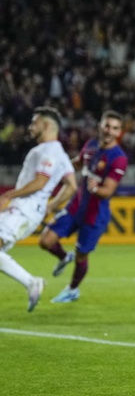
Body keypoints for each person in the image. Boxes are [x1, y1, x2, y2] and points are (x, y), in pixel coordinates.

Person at [39, 110, 128, 303]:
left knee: (81, 255)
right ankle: (64, 257)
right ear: (100, 126)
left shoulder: (119, 158)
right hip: (75, 207)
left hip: (94, 215)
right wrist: (57, 169)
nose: (109, 131)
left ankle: (72, 290)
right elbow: (77, 164)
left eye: (114, 128)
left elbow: (108, 191)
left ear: (120, 132)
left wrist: (96, 189)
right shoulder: (91, 145)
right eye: (107, 126)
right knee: (46, 241)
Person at [0, 107, 77, 311]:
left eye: (34, 122)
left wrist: (8, 195)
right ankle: (31, 282)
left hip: (22, 210)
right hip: (27, 210)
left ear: (45, 125)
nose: (30, 127)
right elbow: (72, 185)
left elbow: (41, 182)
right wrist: (50, 206)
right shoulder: (59, 152)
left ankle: (31, 282)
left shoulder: (48, 151)